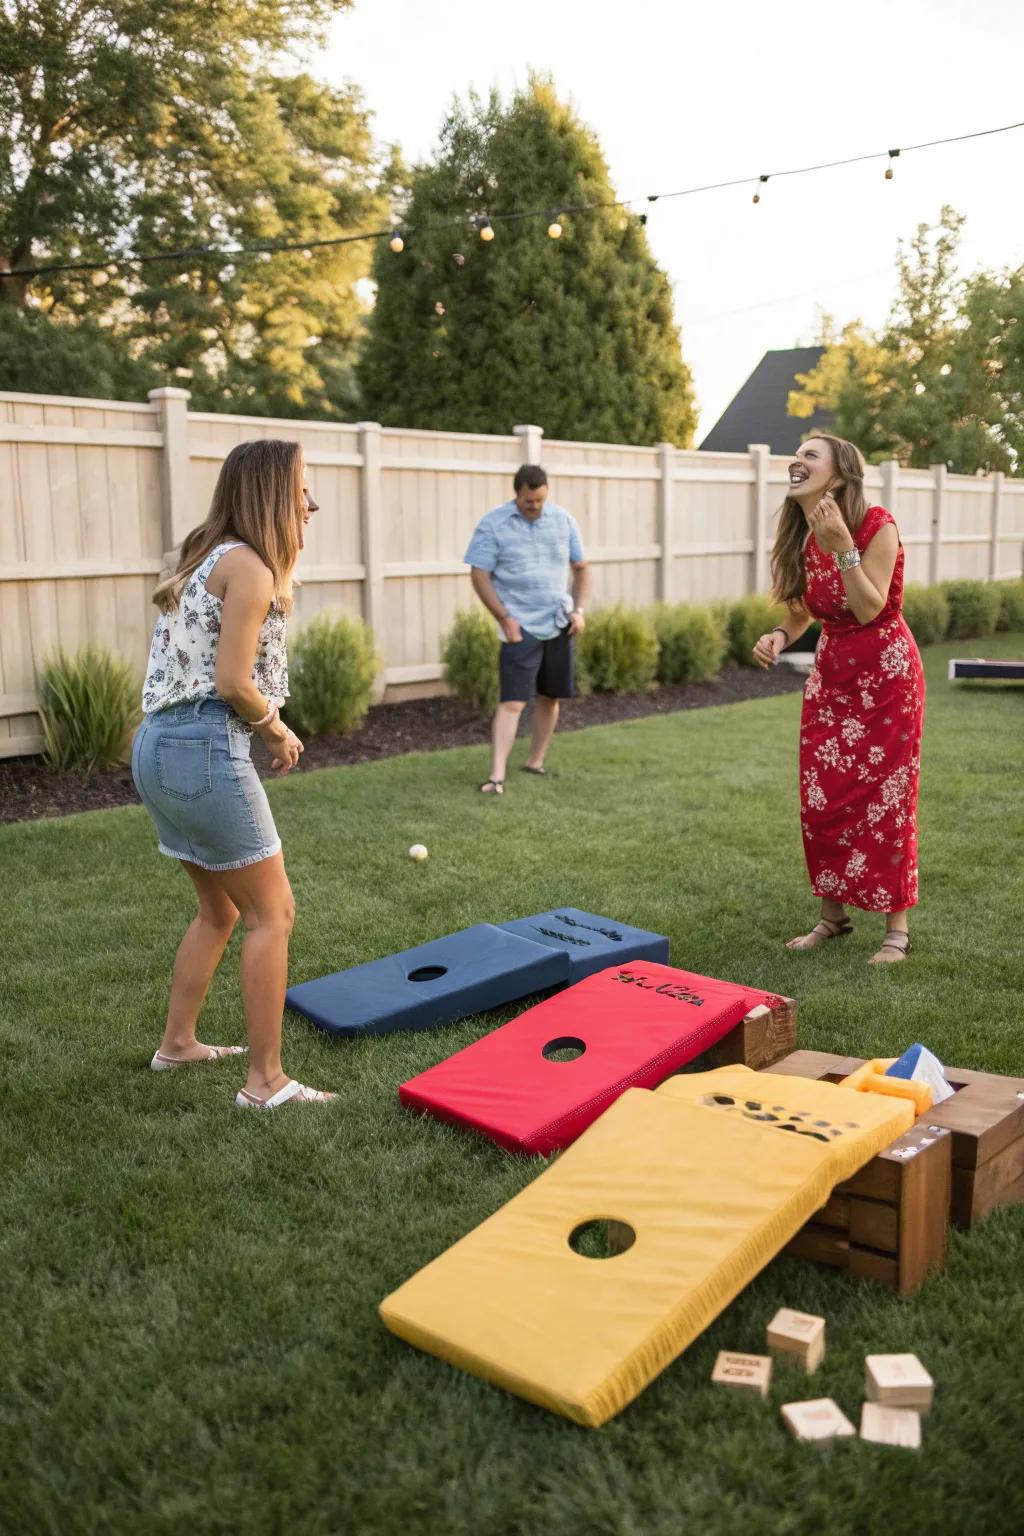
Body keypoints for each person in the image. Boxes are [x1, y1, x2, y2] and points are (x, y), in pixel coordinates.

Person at [131, 439, 336, 1107]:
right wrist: (276, 728)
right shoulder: (247, 566)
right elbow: (231, 682)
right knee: (272, 914)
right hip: (201, 745)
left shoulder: (208, 554)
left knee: (218, 908)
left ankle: (178, 1044)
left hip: (157, 746)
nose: (311, 503)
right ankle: (266, 1083)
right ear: (273, 495)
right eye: (302, 489)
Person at [752, 435, 925, 964]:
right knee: (824, 800)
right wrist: (782, 634)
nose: (795, 460)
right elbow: (806, 609)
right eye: (796, 452)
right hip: (832, 679)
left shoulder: (877, 525)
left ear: (840, 474)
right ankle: (833, 918)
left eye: (809, 455)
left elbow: (871, 609)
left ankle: (896, 930)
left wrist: (841, 545)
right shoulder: (803, 537)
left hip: (887, 677)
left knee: (886, 800)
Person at [464, 465, 590, 794]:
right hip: (519, 625)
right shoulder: (494, 524)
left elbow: (581, 568)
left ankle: (535, 761)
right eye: (527, 500)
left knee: (551, 697)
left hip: (558, 620)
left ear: (546, 493)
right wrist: (504, 618)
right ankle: (497, 777)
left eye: (539, 500)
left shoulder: (563, 521)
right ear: (516, 493)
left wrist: (578, 610)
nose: (533, 506)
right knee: (513, 702)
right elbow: (479, 575)